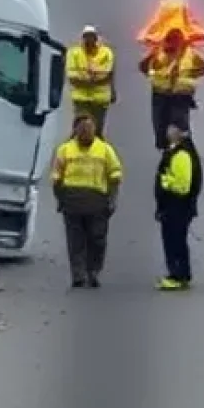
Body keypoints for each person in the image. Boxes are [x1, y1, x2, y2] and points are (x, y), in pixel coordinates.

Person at [52, 111, 123, 289]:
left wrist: (112, 200)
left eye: (89, 128)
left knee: (97, 240)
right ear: (75, 130)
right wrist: (60, 199)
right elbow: (56, 177)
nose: (86, 132)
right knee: (75, 241)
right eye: (82, 129)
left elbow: (115, 176)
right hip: (73, 200)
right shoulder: (65, 150)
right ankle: (78, 273)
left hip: (97, 202)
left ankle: (93, 271)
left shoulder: (105, 150)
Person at [138, 28, 204, 149]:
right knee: (160, 127)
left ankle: (185, 151)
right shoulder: (158, 51)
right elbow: (142, 66)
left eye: (176, 40)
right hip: (160, 94)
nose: (173, 43)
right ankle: (165, 149)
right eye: (170, 40)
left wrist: (193, 74)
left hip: (180, 96)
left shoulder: (190, 53)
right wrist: (152, 72)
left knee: (180, 126)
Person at [154, 119, 202, 289]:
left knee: (174, 241)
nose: (167, 132)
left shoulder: (182, 155)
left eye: (171, 129)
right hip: (174, 206)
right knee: (176, 240)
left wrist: (164, 181)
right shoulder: (177, 151)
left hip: (177, 206)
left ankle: (178, 275)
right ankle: (180, 273)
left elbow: (182, 186)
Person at [64, 24, 116, 138]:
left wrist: (85, 80)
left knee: (96, 133)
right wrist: (93, 80)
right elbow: (72, 76)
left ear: (96, 38)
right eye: (86, 37)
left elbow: (107, 73)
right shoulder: (74, 53)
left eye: (91, 36)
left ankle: (98, 154)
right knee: (80, 131)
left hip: (100, 100)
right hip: (81, 99)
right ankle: (72, 153)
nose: (89, 40)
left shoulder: (106, 53)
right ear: (82, 38)